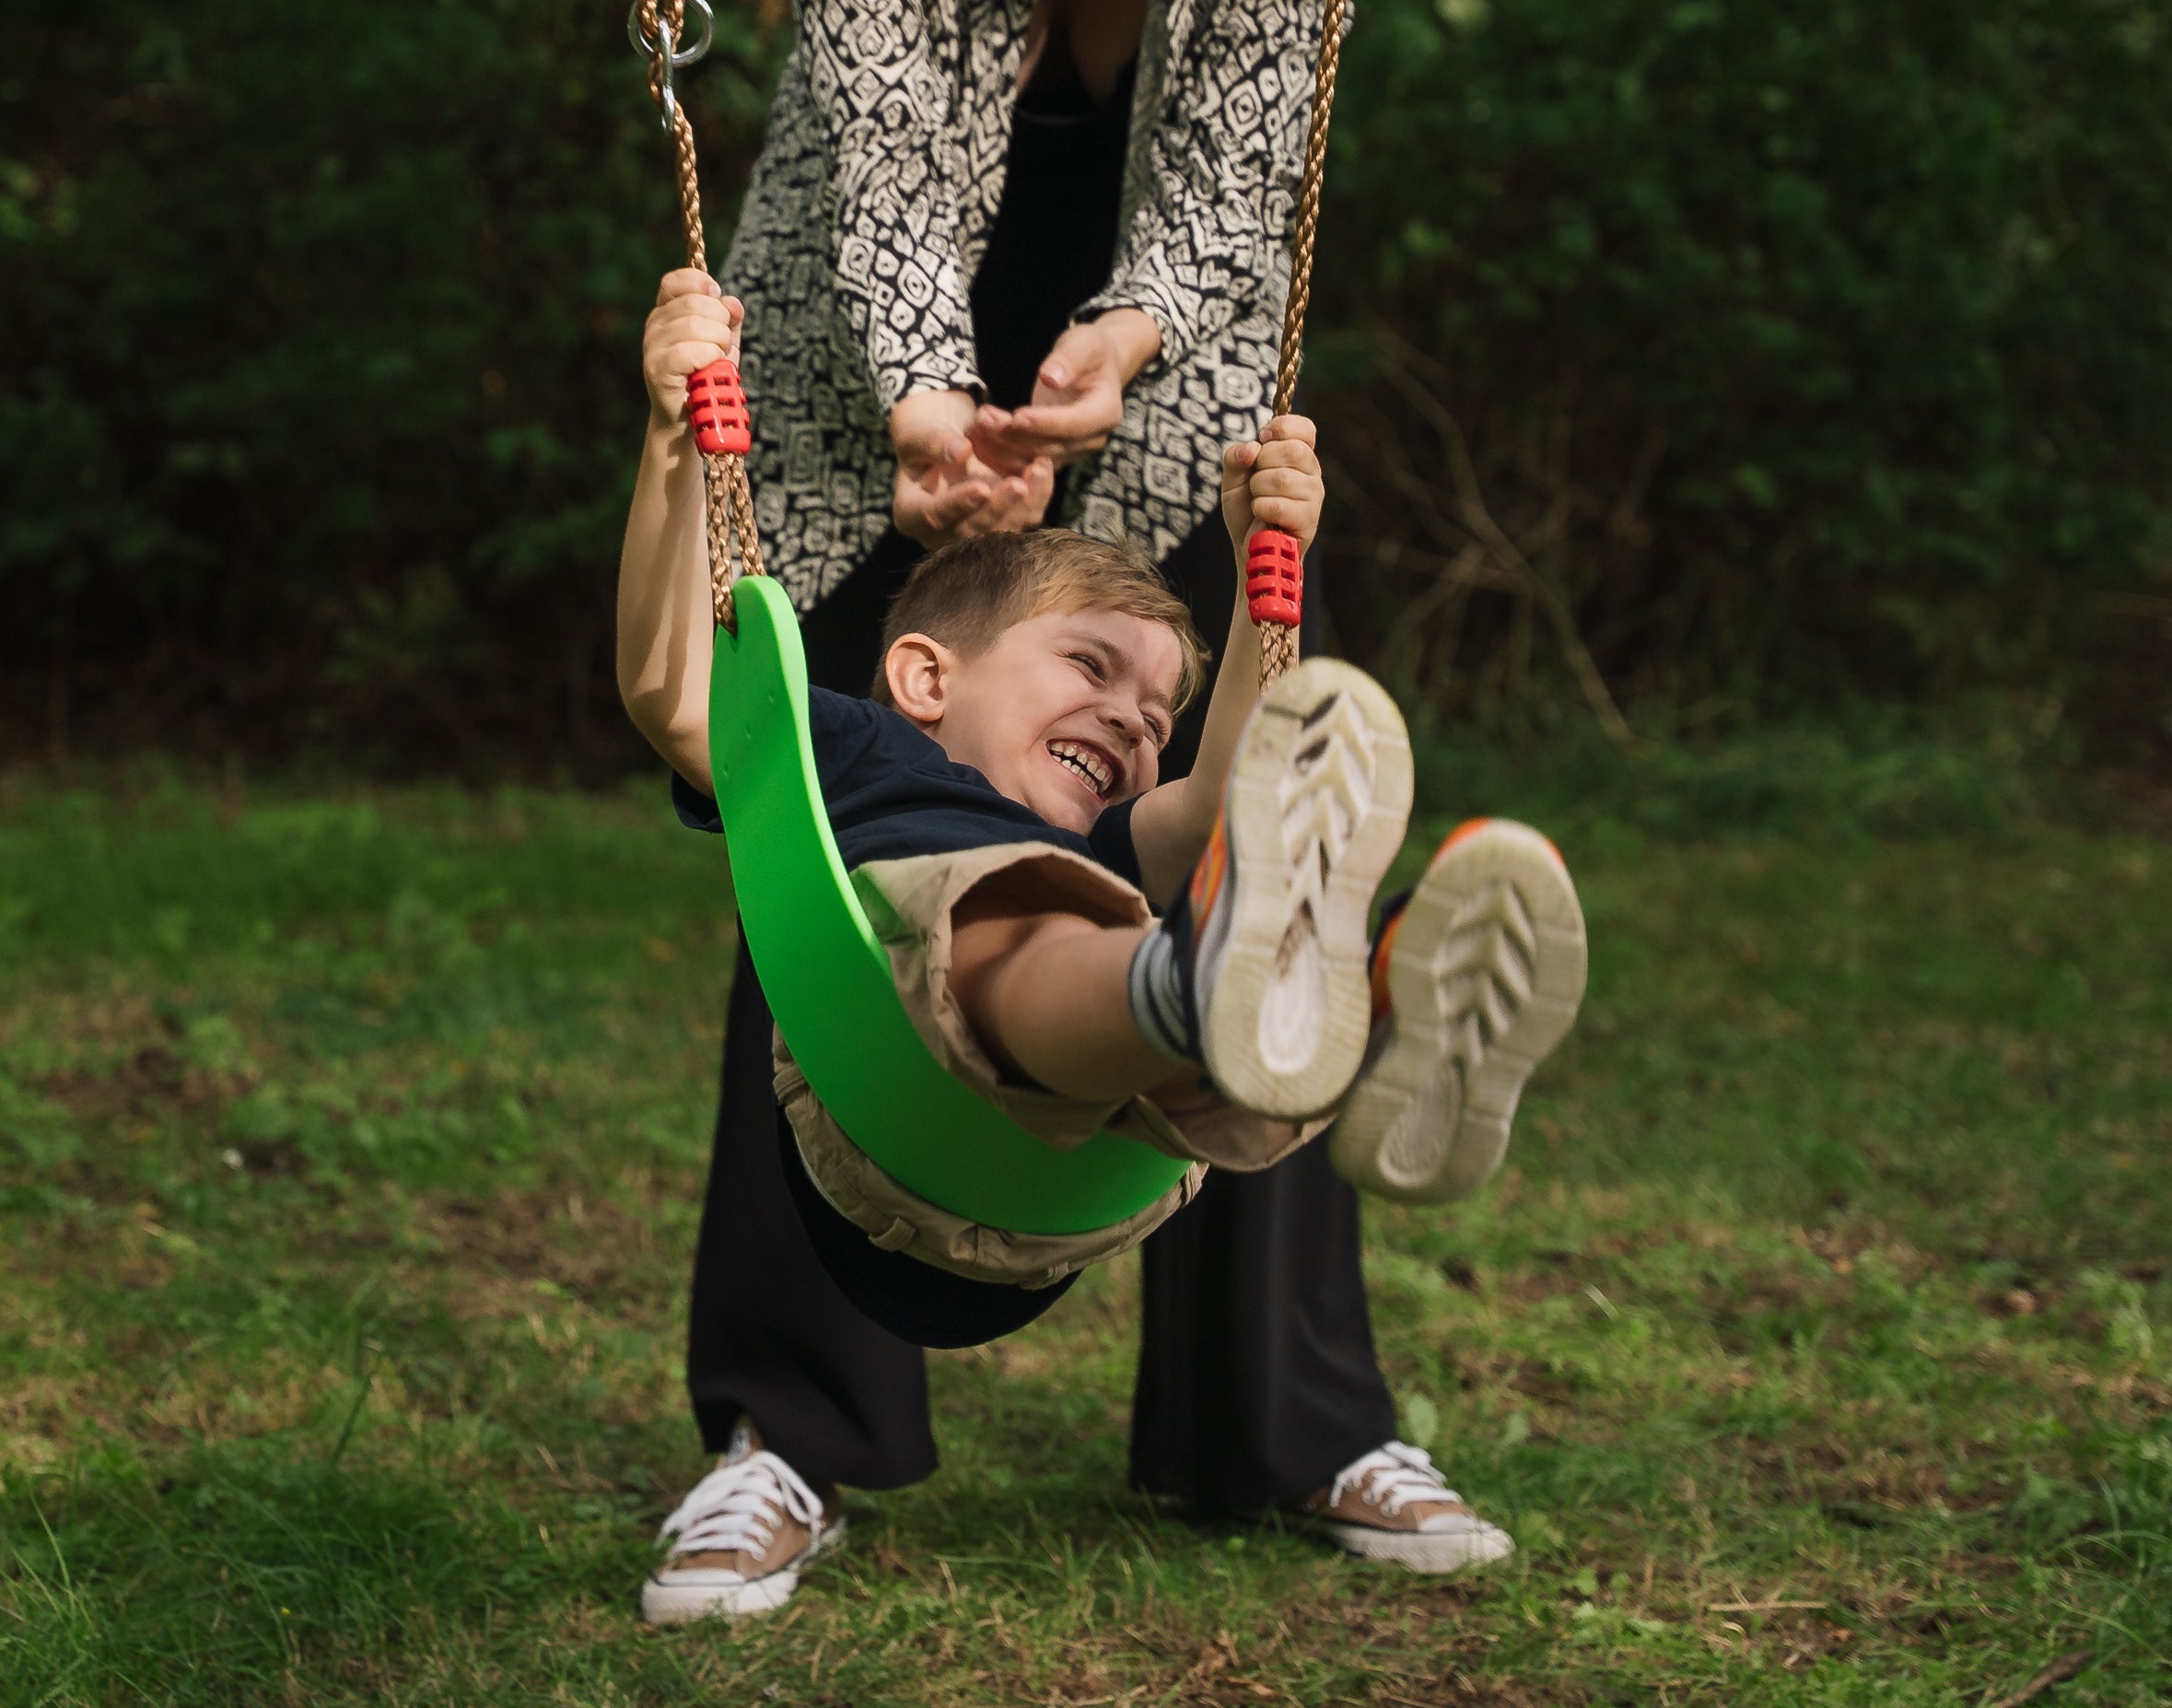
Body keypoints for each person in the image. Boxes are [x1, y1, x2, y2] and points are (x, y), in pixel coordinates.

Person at [639, 0, 1531, 1624]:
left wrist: (1126, 346)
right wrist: (940, 399)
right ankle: (786, 1433)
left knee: (1244, 840)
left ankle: (1291, 1418)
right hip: (869, 378)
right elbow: (890, 151)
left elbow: (1238, 178)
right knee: (835, 835)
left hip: (1165, 382)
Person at [619, 271, 1587, 1621]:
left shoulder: (1107, 836)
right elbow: (674, 690)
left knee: (1185, 901)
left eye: (1152, 713)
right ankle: (1225, 991)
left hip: (1083, 1173)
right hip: (886, 1091)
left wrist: (1268, 579)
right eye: (1091, 671)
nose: (1134, 726)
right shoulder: (860, 751)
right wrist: (675, 440)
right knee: (1016, 920)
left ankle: (1353, 1009)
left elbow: (1237, 792)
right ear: (925, 678)